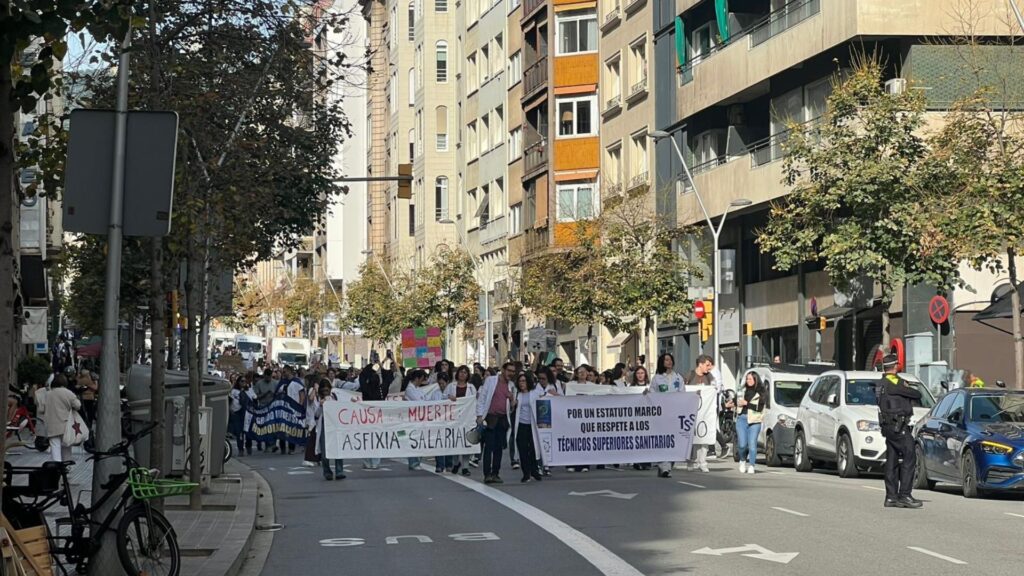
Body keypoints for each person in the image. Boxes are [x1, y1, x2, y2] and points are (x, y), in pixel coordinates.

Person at [877, 354, 923, 509]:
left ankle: (891, 497)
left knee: (892, 459)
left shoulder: (881, 382)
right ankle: (904, 495)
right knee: (910, 455)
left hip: (888, 427)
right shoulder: (895, 381)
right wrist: (907, 386)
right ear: (895, 366)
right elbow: (916, 394)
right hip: (898, 426)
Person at [476, 362, 515, 484]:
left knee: (499, 448)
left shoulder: (511, 385)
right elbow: (482, 398)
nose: (511, 374)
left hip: (503, 419)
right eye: (509, 370)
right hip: (490, 418)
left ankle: (495, 473)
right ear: (503, 370)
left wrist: (511, 398)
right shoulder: (491, 381)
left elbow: (512, 407)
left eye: (513, 371)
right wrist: (479, 415)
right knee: (489, 447)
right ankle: (487, 474)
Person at [648, 353, 685, 477]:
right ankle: (664, 466)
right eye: (665, 360)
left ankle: (667, 464)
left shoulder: (678, 378)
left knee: (673, 441)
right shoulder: (657, 378)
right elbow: (652, 393)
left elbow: (683, 394)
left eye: (670, 360)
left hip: (674, 414)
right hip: (662, 414)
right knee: (664, 440)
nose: (668, 362)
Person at [39, 375, 81, 463]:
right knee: (66, 447)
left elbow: (41, 409)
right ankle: (66, 466)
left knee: (55, 446)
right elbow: (78, 405)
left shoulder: (48, 394)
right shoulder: (68, 393)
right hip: (66, 425)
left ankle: (57, 468)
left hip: (51, 425)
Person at [684, 354, 716, 472]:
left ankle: (702, 462)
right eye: (707, 365)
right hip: (691, 411)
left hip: (705, 412)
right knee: (691, 437)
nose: (709, 368)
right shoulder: (690, 375)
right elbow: (683, 389)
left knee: (704, 436)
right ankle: (690, 460)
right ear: (700, 364)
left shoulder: (709, 377)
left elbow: (715, 388)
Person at [731, 372, 767, 474]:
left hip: (754, 420)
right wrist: (731, 403)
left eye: (750, 379)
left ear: (756, 380)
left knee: (752, 444)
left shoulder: (761, 392)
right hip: (741, 418)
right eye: (747, 379)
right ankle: (742, 460)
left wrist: (747, 403)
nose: (748, 381)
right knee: (742, 444)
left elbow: (759, 408)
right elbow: (735, 401)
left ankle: (751, 465)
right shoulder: (742, 390)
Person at [513, 372, 545, 483]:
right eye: (520, 381)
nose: (521, 383)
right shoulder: (517, 394)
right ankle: (526, 473)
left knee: (533, 448)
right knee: (522, 449)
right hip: (521, 425)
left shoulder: (535, 393)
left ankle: (534, 470)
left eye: (523, 381)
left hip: (532, 425)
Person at [314, 380, 345, 480]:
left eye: (327, 390)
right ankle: (327, 472)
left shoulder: (335, 397)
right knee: (324, 451)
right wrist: (320, 405)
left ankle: (339, 471)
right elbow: (316, 415)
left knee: (338, 449)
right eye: (323, 391)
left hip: (335, 426)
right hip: (324, 426)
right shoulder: (319, 399)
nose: (325, 392)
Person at [448, 365, 476, 476]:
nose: (463, 374)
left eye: (465, 372)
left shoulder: (471, 387)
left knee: (466, 442)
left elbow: (474, 401)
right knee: (455, 441)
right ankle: (456, 463)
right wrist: (449, 398)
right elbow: (443, 397)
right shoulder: (451, 386)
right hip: (454, 417)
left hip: (467, 418)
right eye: (461, 372)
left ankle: (465, 466)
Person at [404, 369, 430, 471]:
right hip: (412, 419)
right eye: (421, 379)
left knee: (420, 441)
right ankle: (413, 462)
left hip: (421, 418)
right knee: (413, 440)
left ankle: (417, 461)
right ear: (417, 378)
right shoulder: (409, 389)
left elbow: (426, 399)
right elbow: (419, 401)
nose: (422, 382)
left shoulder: (418, 389)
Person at [630, 366, 653, 471]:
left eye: (642, 373)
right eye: (638, 373)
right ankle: (637, 461)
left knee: (647, 440)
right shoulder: (631, 387)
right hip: (635, 416)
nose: (640, 375)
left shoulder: (650, 386)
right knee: (637, 440)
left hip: (647, 416)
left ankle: (647, 462)